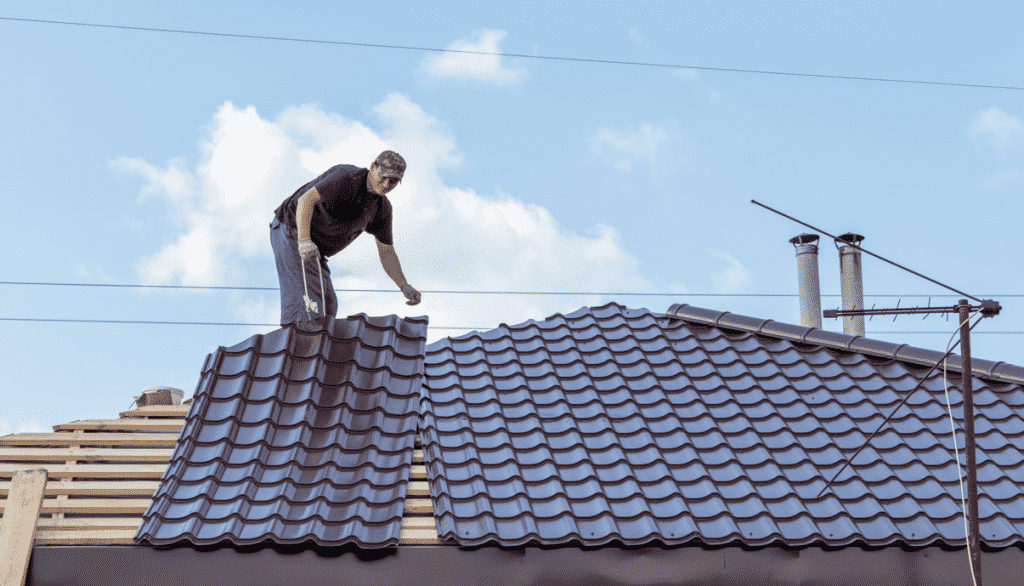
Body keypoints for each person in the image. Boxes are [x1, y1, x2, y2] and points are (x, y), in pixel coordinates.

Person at [269, 150, 421, 331]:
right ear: (373, 166)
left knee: (329, 304)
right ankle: (298, 344)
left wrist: (404, 285)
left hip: (315, 247)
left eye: (394, 181)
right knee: (310, 303)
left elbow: (386, 251)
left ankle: (317, 347)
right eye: (384, 176)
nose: (387, 183)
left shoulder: (381, 209)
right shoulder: (347, 178)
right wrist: (304, 241)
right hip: (292, 228)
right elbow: (306, 200)